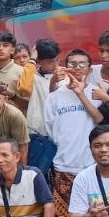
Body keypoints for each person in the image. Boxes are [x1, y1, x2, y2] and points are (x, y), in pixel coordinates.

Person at [43, 49, 106, 217]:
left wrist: (80, 94)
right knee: (62, 212)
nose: (77, 68)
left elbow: (100, 119)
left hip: (91, 165)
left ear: (89, 68)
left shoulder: (96, 93)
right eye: (72, 64)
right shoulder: (55, 96)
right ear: (65, 66)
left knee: (94, 212)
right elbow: (49, 128)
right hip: (63, 163)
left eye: (82, 64)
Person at [25, 39, 62, 176]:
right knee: (37, 176)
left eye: (57, 60)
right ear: (39, 61)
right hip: (38, 136)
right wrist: (32, 59)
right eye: (50, 62)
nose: (55, 65)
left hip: (60, 135)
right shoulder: (31, 76)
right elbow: (24, 88)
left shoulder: (65, 77)